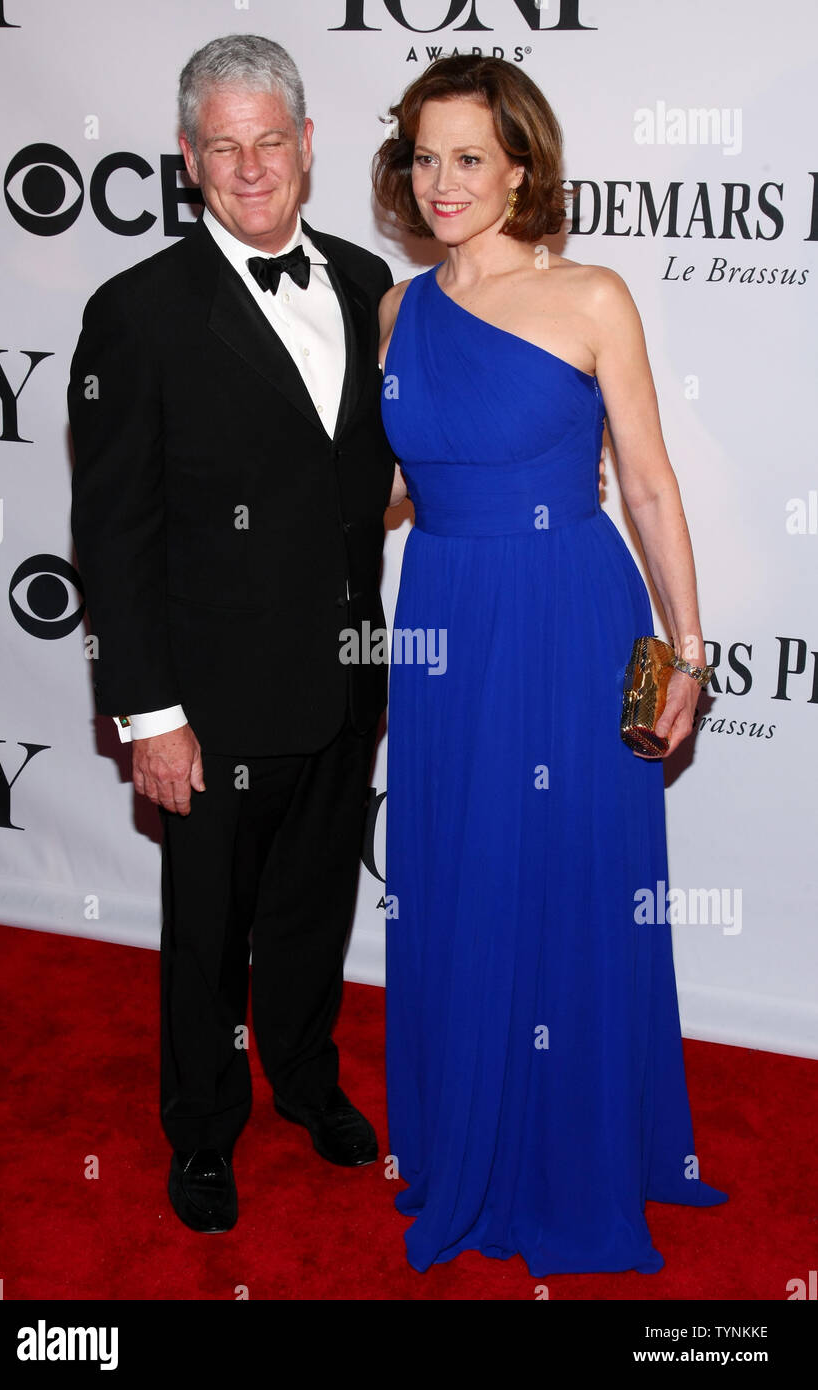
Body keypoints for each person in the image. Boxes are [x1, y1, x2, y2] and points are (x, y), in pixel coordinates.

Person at [374, 54, 727, 1276]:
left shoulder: (590, 297)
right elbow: (396, 492)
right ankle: (464, 1141)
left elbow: (644, 482)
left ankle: (576, 1157)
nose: (442, 182)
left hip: (568, 618)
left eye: (468, 156)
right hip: (443, 627)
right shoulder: (397, 311)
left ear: (521, 165)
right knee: (458, 874)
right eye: (424, 156)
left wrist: (687, 652)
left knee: (571, 873)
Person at [69, 34, 396, 1233]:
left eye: (271, 141)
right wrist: (150, 713)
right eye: (224, 146)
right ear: (189, 158)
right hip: (206, 701)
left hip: (348, 675)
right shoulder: (138, 312)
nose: (250, 167)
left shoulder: (372, 287)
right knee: (206, 929)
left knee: (314, 904)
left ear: (308, 147)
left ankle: (308, 1081)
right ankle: (202, 1128)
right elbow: (112, 532)